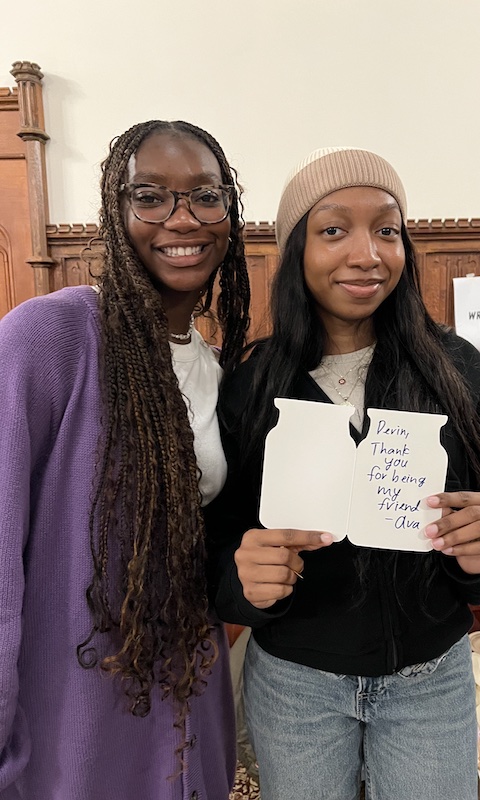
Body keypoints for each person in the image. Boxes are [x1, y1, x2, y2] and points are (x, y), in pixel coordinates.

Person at [207, 147, 480, 800]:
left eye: (387, 229)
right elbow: (216, 545)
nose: (367, 254)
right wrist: (241, 579)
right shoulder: (251, 388)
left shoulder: (456, 370)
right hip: (297, 683)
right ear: (296, 249)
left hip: (431, 679)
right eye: (334, 229)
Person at [0, 119, 250, 800]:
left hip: (184, 706)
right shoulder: (51, 339)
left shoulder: (223, 375)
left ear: (230, 213)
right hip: (67, 718)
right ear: (115, 212)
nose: (182, 218)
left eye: (205, 196)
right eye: (151, 196)